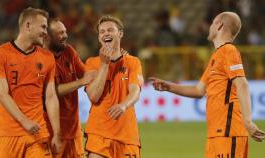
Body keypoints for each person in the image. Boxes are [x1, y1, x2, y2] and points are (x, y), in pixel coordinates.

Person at [150, 12, 265, 158]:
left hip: (228, 132)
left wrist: (247, 121)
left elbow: (242, 84)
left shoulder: (229, 51)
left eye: (212, 23)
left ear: (219, 25)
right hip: (216, 134)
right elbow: (199, 90)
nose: (210, 27)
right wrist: (169, 87)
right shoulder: (216, 56)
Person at [0, 7, 61, 158]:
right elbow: (2, 94)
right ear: (28, 26)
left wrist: (56, 133)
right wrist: (24, 121)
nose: (45, 32)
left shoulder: (47, 58)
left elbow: (51, 96)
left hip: (38, 134)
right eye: (43, 26)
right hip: (8, 135)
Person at [84, 15, 144, 158]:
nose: (106, 33)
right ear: (99, 38)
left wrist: (123, 105)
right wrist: (104, 65)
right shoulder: (92, 63)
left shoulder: (133, 62)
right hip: (99, 133)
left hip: (127, 134)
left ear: (120, 34)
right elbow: (93, 96)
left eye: (110, 30)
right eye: (102, 31)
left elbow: (135, 92)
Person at [46, 18, 96, 158]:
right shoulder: (39, 59)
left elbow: (87, 75)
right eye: (60, 33)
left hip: (73, 132)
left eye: (65, 31)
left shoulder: (69, 51)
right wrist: (81, 82)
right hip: (50, 133)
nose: (65, 36)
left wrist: (104, 68)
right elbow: (50, 91)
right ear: (48, 37)